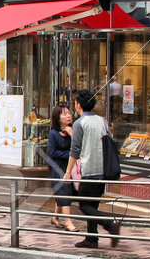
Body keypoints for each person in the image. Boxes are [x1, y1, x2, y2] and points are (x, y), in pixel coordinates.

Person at [65, 89, 120, 248]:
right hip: (103, 169)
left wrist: (68, 172)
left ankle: (110, 225)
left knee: (85, 205)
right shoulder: (102, 120)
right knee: (93, 204)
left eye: (75, 103)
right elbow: (109, 140)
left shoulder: (79, 123)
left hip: (89, 170)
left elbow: (75, 150)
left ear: (78, 105)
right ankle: (91, 238)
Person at [46, 102, 78, 232]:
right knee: (64, 191)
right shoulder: (53, 133)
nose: (68, 116)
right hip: (57, 166)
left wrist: (72, 134)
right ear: (58, 117)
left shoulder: (73, 130)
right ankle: (68, 222)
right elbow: (52, 152)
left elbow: (79, 146)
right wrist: (70, 154)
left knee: (63, 191)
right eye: (64, 114)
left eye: (69, 113)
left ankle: (55, 218)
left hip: (70, 166)